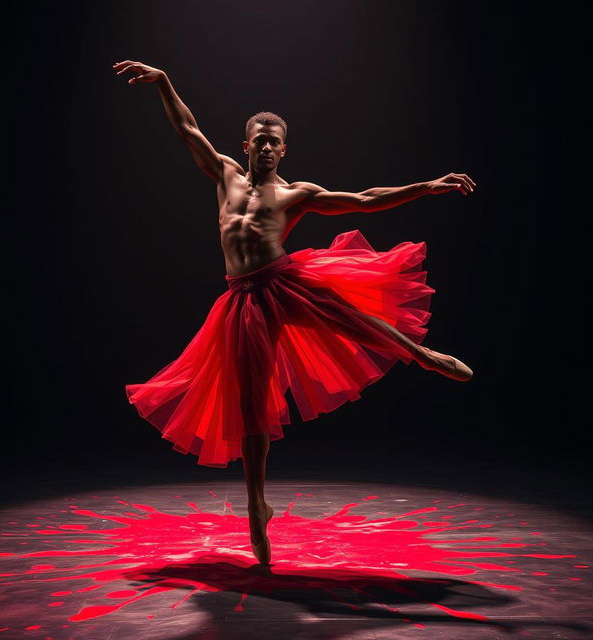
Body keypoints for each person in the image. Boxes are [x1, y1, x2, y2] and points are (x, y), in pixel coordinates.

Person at [114, 60, 476, 565]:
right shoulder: (224, 174)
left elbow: (366, 200)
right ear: (246, 146)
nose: (265, 146)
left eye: (273, 141)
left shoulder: (295, 195)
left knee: (348, 319)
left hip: (284, 281)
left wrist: (427, 186)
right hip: (243, 299)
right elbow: (186, 127)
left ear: (283, 149)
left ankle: (423, 354)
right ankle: (256, 504)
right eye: (258, 139)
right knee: (250, 401)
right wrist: (164, 82)